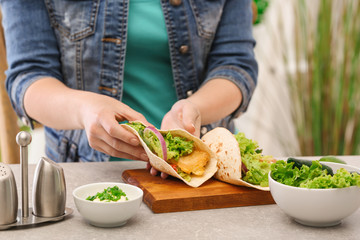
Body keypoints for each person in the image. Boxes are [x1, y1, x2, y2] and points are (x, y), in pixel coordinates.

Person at [0, 0, 258, 177]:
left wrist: (194, 109)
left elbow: (235, 65)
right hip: (85, 177)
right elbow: (29, 78)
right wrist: (85, 110)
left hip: (200, 171)